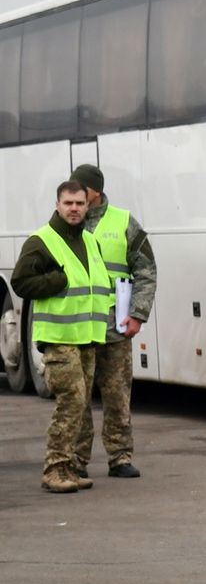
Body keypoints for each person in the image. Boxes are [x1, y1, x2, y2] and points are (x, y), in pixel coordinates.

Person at [10, 181, 113, 493]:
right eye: (68, 203)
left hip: (86, 337)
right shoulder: (42, 241)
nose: (74, 209)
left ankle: (69, 467)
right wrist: (55, 281)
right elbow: (21, 282)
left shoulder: (89, 240)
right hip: (58, 336)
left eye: (79, 204)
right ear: (58, 204)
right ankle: (54, 468)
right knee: (72, 399)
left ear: (87, 206)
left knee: (81, 404)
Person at [70, 163, 155, 479]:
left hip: (115, 326)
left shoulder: (123, 222)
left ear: (95, 190)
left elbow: (146, 270)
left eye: (81, 188)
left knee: (117, 394)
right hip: (78, 326)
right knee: (78, 398)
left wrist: (138, 314)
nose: (76, 194)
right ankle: (77, 460)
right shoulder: (66, 224)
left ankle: (119, 457)